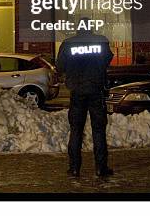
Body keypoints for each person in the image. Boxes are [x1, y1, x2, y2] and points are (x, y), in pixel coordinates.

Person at [56, 17, 114, 178]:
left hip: (77, 92)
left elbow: (60, 66)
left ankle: (74, 168)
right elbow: (107, 60)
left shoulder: (68, 43)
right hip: (96, 90)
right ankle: (101, 168)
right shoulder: (101, 41)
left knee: (76, 130)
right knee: (98, 130)